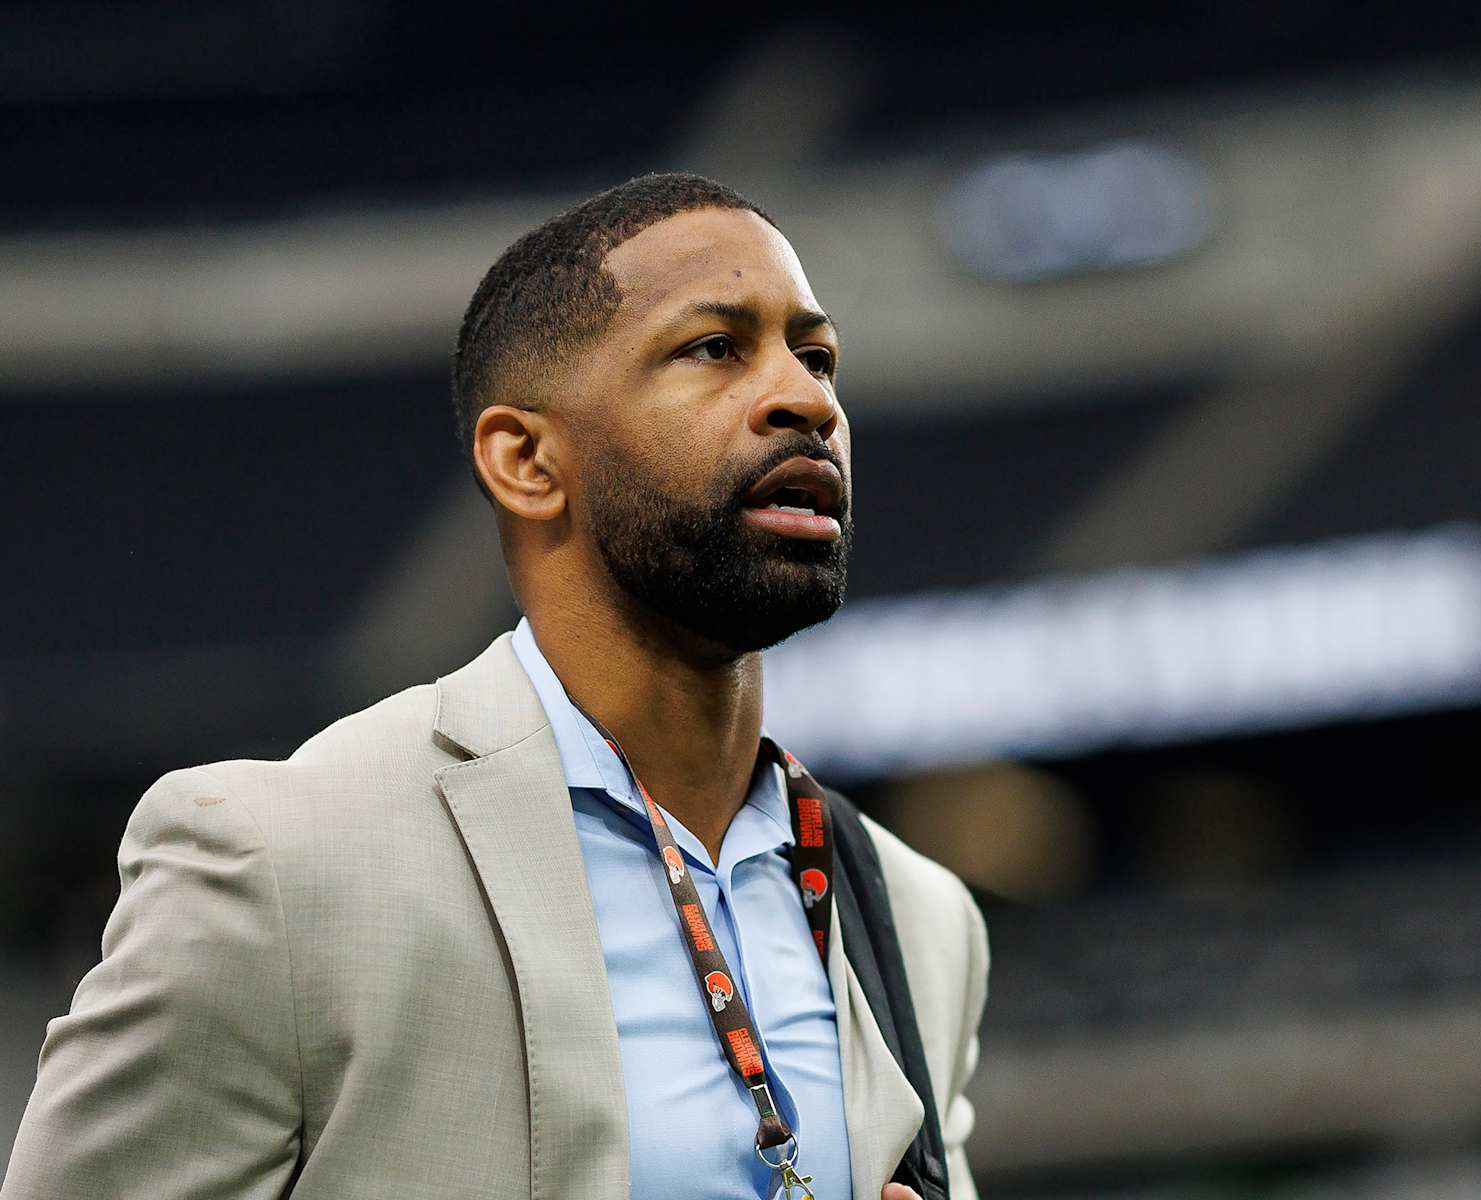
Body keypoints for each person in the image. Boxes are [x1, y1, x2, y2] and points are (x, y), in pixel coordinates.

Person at [2, 173, 988, 1200]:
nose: (807, 399)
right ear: (525, 459)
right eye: (715, 347)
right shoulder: (282, 865)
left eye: (816, 354)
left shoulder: (914, 913)